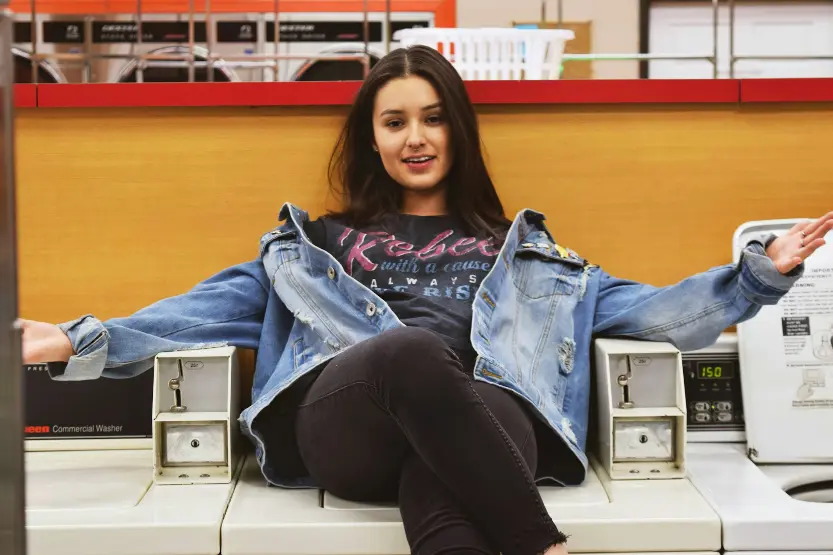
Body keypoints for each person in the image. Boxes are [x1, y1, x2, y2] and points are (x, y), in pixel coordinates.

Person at [20, 45, 831, 555]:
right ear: (371, 136)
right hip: (347, 424)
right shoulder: (315, 248)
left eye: (434, 118)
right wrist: (70, 340)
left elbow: (657, 315)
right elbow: (192, 313)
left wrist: (759, 272)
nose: (415, 137)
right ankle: (538, 545)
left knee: (448, 456)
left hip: (480, 429)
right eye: (396, 120)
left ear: (458, 131)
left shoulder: (530, 256)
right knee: (411, 353)